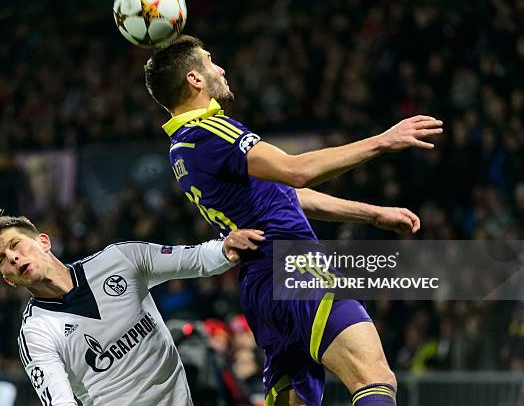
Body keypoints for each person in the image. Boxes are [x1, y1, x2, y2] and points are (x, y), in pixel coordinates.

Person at [144, 36, 443, 406]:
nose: (220, 68)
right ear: (195, 79)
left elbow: (286, 193)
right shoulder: (213, 131)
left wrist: (373, 214)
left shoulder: (183, 147)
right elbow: (296, 171)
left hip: (260, 286)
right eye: (210, 61)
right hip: (294, 265)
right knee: (374, 377)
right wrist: (383, 140)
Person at [0, 210, 264, 405]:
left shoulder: (120, 260)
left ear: (44, 242)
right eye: (2, 260)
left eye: (17, 245)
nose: (13, 258)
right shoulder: (36, 332)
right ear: (7, 279)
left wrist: (225, 248)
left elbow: (197, 258)